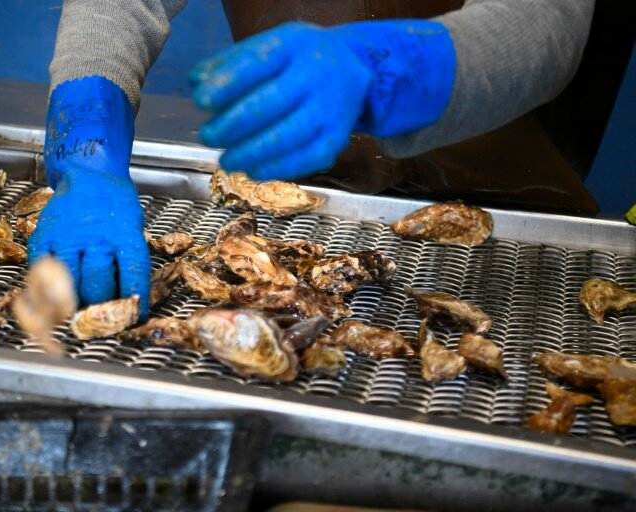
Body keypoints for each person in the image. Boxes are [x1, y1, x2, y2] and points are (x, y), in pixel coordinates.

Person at [29, 0, 601, 315]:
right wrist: (89, 144)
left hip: (509, 237)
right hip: (301, 211)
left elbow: (548, 23)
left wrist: (387, 70)